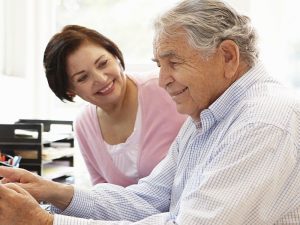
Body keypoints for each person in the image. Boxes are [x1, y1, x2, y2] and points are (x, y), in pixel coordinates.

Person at [1, 0, 300, 224]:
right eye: (159, 65)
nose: (162, 80)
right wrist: (51, 191)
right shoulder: (206, 116)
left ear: (227, 56)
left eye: (174, 63)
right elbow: (147, 199)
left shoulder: (263, 122)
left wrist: (44, 221)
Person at [43, 25, 187, 186]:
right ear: (70, 91)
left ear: (115, 55)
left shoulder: (166, 88)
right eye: (83, 78)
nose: (101, 79)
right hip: (128, 212)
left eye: (103, 63)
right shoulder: (84, 125)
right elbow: (101, 193)